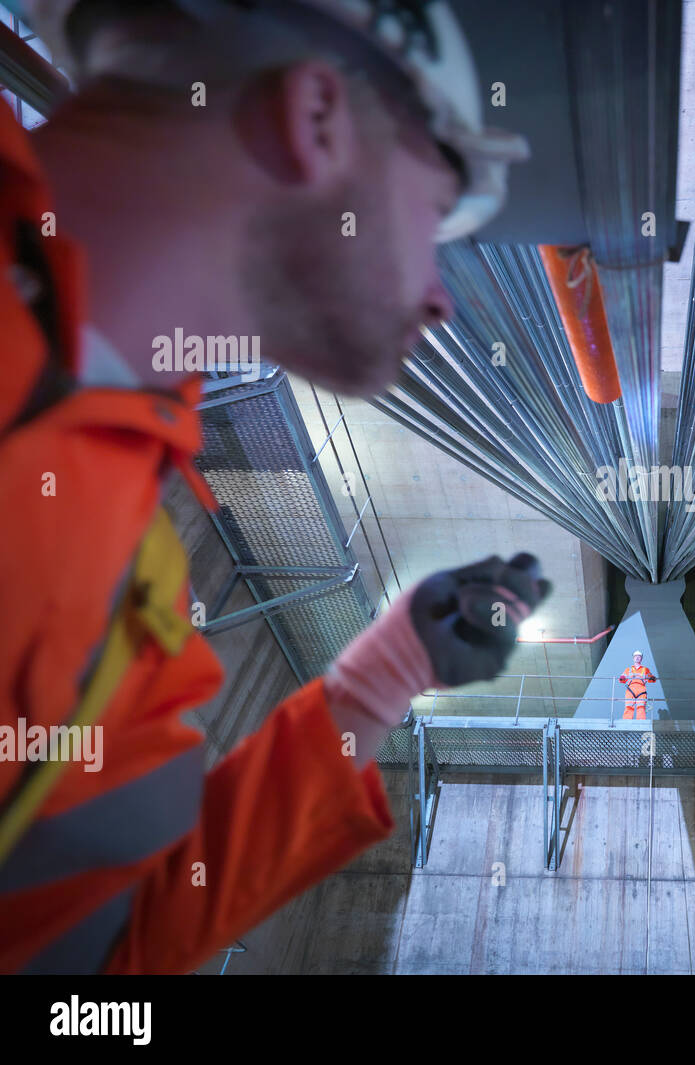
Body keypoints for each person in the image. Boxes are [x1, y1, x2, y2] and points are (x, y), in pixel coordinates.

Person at [0, 0, 544, 974]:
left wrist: (388, 673)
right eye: (436, 208)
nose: (439, 294)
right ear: (316, 120)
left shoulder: (138, 563)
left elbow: (106, 946)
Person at [618, 650, 657, 720]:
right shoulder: (628, 669)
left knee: (641, 707)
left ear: (641, 659)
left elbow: (652, 679)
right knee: (629, 707)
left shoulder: (645, 669)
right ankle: (626, 723)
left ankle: (641, 723)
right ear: (633, 658)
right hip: (630, 690)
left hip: (641, 690)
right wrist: (622, 678)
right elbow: (621, 679)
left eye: (639, 656)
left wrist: (652, 678)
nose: (637, 658)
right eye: (635, 656)